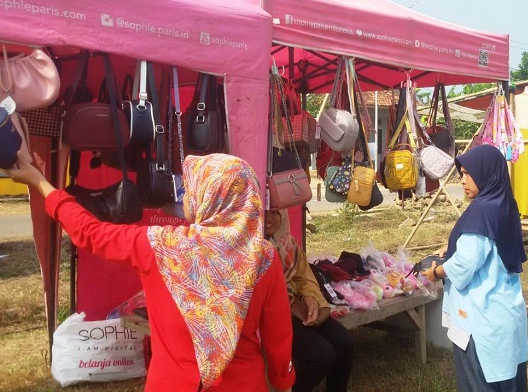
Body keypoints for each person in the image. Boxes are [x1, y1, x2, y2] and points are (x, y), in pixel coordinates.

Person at [2, 152, 295, 392]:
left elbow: (89, 232)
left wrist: (39, 182)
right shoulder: (264, 259)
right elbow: (279, 338)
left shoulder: (161, 247)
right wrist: (283, 383)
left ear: (206, 197)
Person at [422, 144, 528, 392]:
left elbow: (465, 264)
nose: (462, 180)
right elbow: (491, 246)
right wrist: (454, 250)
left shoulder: (482, 210)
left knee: (478, 382)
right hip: (505, 313)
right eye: (461, 174)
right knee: (508, 381)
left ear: (486, 173)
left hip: (481, 318)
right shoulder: (503, 204)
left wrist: (436, 272)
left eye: (469, 173)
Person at [265, 208, 354, 392]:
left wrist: (312, 299)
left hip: (296, 306)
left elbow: (305, 276)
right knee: (321, 355)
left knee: (345, 341)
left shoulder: (288, 244)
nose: (268, 218)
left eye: (274, 212)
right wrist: (290, 305)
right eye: (262, 212)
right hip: (272, 316)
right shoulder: (253, 248)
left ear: (283, 215)